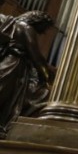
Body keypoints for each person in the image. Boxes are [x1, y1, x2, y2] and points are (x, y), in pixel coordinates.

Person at [0, 10, 56, 138]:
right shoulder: (26, 27)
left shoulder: (12, 23)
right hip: (12, 63)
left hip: (10, 60)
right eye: (43, 27)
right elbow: (35, 54)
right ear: (38, 20)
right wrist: (46, 75)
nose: (43, 32)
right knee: (4, 88)